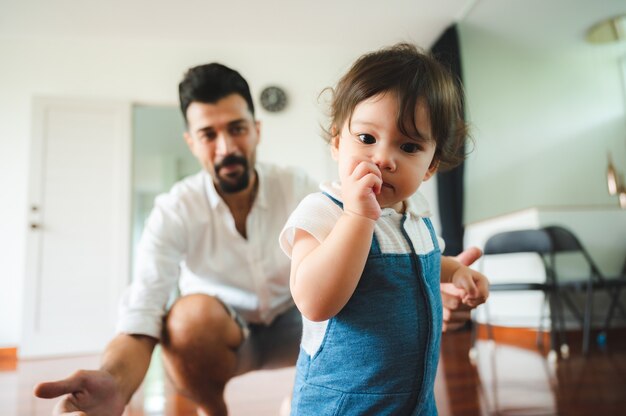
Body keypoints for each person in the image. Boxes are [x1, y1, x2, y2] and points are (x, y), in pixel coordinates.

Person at [34, 61, 484, 416]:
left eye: (237, 129)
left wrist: (440, 278)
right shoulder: (180, 209)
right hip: (240, 336)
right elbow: (142, 312)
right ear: (192, 142)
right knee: (187, 320)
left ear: (257, 130)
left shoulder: (301, 185)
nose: (227, 147)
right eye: (210, 134)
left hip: (311, 331)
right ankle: (214, 409)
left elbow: (396, 262)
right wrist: (115, 382)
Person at [279, 43, 489, 415]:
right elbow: (313, 302)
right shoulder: (323, 212)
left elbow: (420, 263)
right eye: (366, 139)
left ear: (430, 166)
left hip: (413, 398)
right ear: (337, 142)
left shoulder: (415, 214)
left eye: (408, 146)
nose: (384, 158)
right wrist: (357, 218)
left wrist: (454, 270)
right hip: (342, 401)